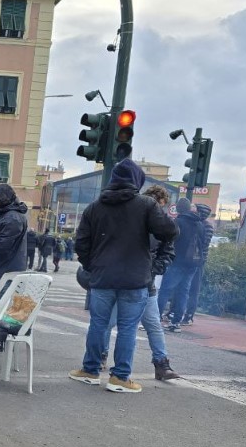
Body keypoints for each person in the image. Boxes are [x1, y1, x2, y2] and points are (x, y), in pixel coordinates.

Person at [70, 159, 177, 393]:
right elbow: (169, 231)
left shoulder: (95, 206)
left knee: (98, 324)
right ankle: (120, 377)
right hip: (135, 279)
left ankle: (90, 370)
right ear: (137, 181)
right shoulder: (146, 205)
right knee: (128, 328)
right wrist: (150, 266)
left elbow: (81, 243)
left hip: (103, 278)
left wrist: (94, 265)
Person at [97, 185, 180, 381]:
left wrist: (152, 270)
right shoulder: (137, 222)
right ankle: (102, 356)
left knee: (151, 324)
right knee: (113, 323)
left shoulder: (159, 226)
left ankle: (162, 364)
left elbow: (168, 252)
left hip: (144, 281)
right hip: (127, 281)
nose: (157, 210)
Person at [157, 198, 205, 333]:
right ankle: (176, 322)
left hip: (177, 261)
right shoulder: (199, 223)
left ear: (178, 209)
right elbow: (203, 243)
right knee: (183, 291)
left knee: (165, 290)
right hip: (193, 263)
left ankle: (155, 319)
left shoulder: (178, 222)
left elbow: (170, 241)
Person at [180, 204, 214, 325]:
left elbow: (203, 245)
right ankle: (184, 314)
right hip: (196, 260)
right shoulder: (204, 225)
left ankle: (189, 315)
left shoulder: (204, 226)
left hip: (198, 261)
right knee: (189, 287)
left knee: (193, 288)